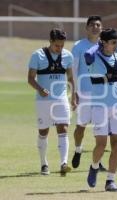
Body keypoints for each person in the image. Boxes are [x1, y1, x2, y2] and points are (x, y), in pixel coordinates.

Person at [85, 28, 117, 192]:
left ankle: (110, 180)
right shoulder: (94, 57)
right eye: (113, 43)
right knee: (101, 145)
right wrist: (97, 45)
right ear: (104, 43)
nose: (116, 46)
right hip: (99, 106)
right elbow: (87, 55)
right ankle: (94, 166)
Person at [27, 28, 76, 176]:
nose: (60, 48)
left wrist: (73, 96)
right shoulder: (37, 55)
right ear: (50, 42)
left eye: (62, 45)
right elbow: (30, 79)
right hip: (43, 101)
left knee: (64, 129)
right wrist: (40, 89)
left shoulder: (67, 56)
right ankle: (44, 164)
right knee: (43, 131)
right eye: (57, 45)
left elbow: (71, 79)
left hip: (61, 99)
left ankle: (63, 164)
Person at [71, 15, 106, 171]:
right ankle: (78, 149)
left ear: (102, 28)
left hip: (102, 94)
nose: (95, 27)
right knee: (81, 126)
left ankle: (97, 162)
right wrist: (74, 92)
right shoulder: (79, 46)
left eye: (98, 25)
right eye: (92, 25)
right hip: (84, 92)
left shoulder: (106, 45)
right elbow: (73, 71)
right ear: (86, 28)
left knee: (101, 129)